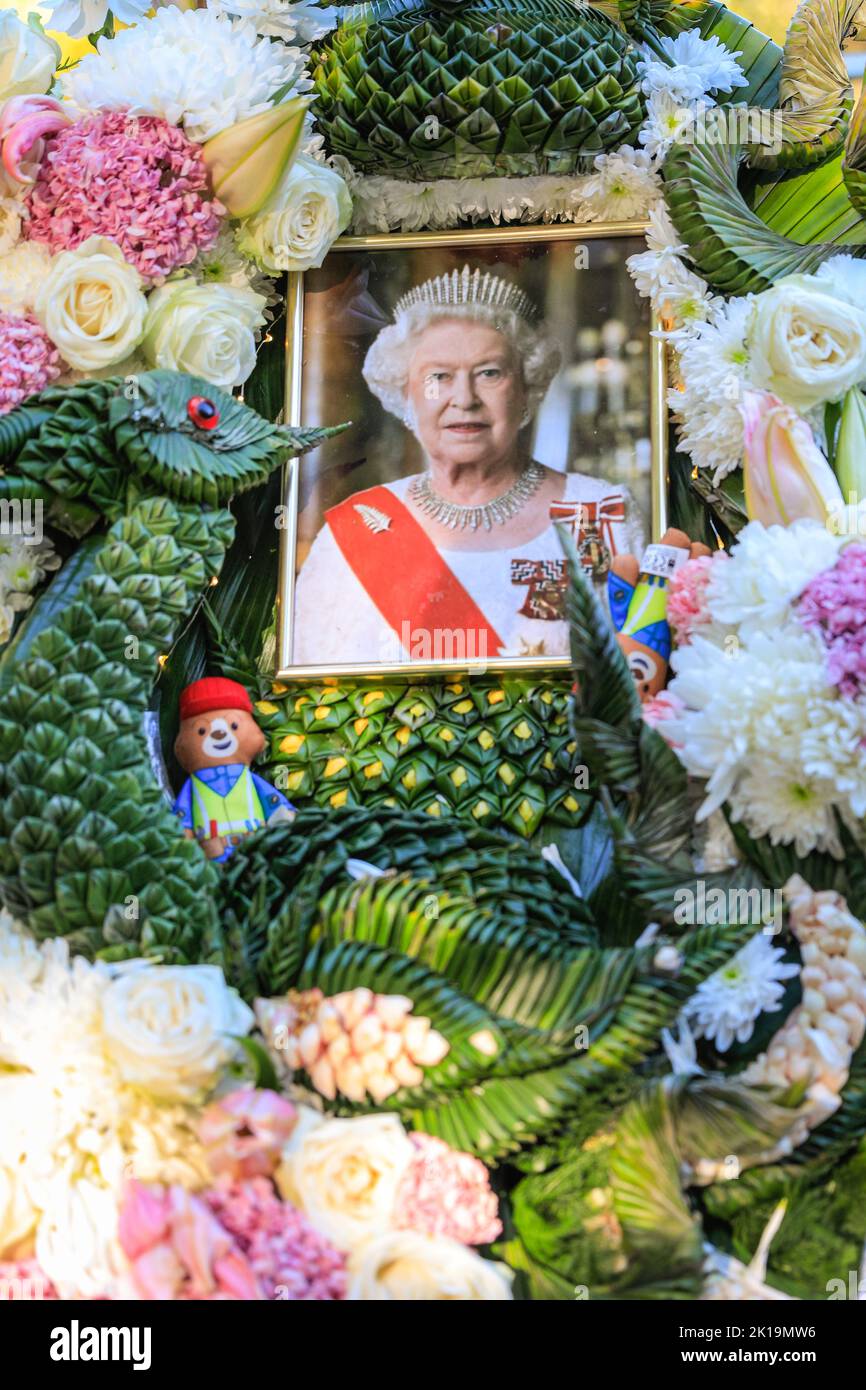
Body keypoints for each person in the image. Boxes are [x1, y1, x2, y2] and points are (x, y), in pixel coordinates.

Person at [293, 264, 645, 665]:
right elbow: (314, 693)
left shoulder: (603, 514)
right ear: (405, 394)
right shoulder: (355, 529)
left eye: (489, 373)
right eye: (439, 376)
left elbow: (642, 679)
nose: (464, 398)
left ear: (527, 388)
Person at [172, 677, 294, 862]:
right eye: (202, 731)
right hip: (212, 852)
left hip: (255, 845)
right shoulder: (193, 786)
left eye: (234, 726)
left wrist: (286, 816)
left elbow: (274, 802)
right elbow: (182, 818)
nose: (219, 734)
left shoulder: (249, 780)